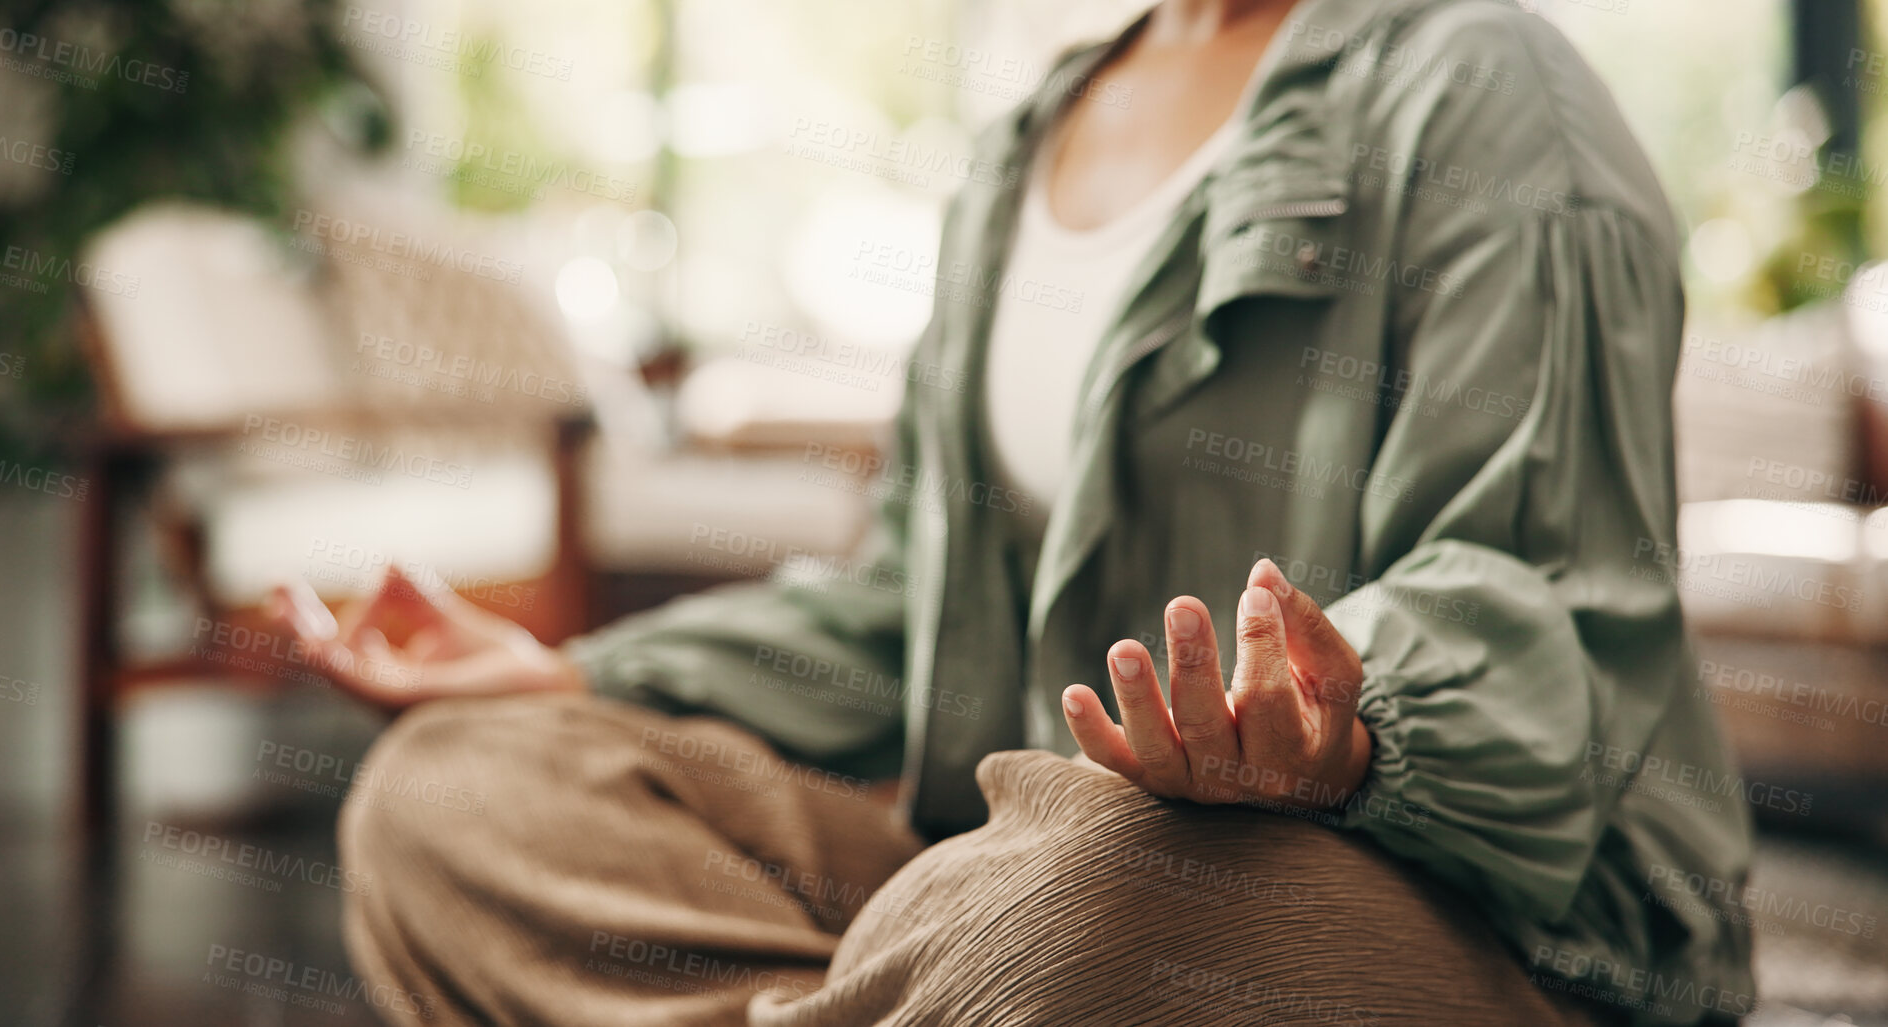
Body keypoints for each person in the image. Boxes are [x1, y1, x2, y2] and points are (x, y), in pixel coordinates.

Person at [273, 0, 1758, 1023]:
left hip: (1480, 918)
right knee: (452, 788)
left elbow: (1540, 592)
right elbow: (904, 600)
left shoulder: (1494, 92)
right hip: (1019, 870)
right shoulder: (1027, 139)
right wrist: (579, 680)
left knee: (1071, 908)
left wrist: (1349, 730)